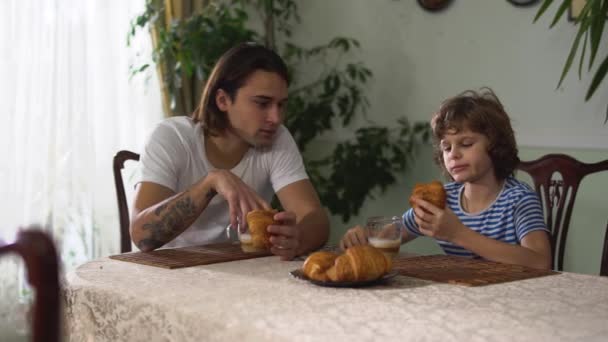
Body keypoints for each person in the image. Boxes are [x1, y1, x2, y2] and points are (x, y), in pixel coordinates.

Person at [130, 42, 330, 260]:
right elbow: (141, 236)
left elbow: (315, 219)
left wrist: (297, 237)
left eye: (281, 105)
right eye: (262, 103)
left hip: (241, 268)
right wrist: (211, 182)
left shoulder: (278, 138)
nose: (276, 118)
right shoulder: (172, 136)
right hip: (171, 272)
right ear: (223, 100)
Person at [340, 88, 552, 269]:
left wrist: (458, 233)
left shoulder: (519, 199)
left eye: (466, 144)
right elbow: (389, 237)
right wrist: (362, 240)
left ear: (496, 146)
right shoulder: (442, 199)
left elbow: (540, 262)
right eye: (446, 147)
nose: (454, 154)